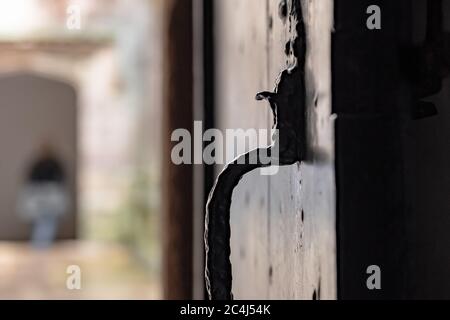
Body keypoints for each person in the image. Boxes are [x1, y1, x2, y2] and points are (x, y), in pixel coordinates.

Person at [17, 144, 69, 249]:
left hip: (52, 196)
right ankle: (38, 244)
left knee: (49, 221)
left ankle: (44, 244)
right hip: (38, 197)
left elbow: (61, 179)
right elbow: (29, 178)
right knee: (38, 222)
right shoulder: (37, 164)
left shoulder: (55, 164)